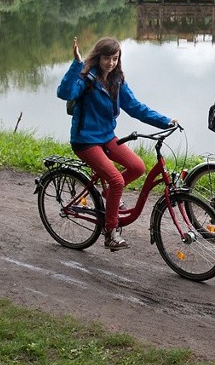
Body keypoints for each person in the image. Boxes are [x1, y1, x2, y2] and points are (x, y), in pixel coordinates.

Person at [57, 36, 177, 251]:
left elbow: (136, 107)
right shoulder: (86, 78)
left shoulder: (117, 80)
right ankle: (111, 232)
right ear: (98, 58)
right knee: (117, 181)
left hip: (106, 136)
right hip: (85, 140)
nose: (110, 63)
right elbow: (64, 93)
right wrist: (77, 64)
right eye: (106, 58)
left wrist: (165, 121)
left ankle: (109, 195)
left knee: (137, 167)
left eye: (114, 58)